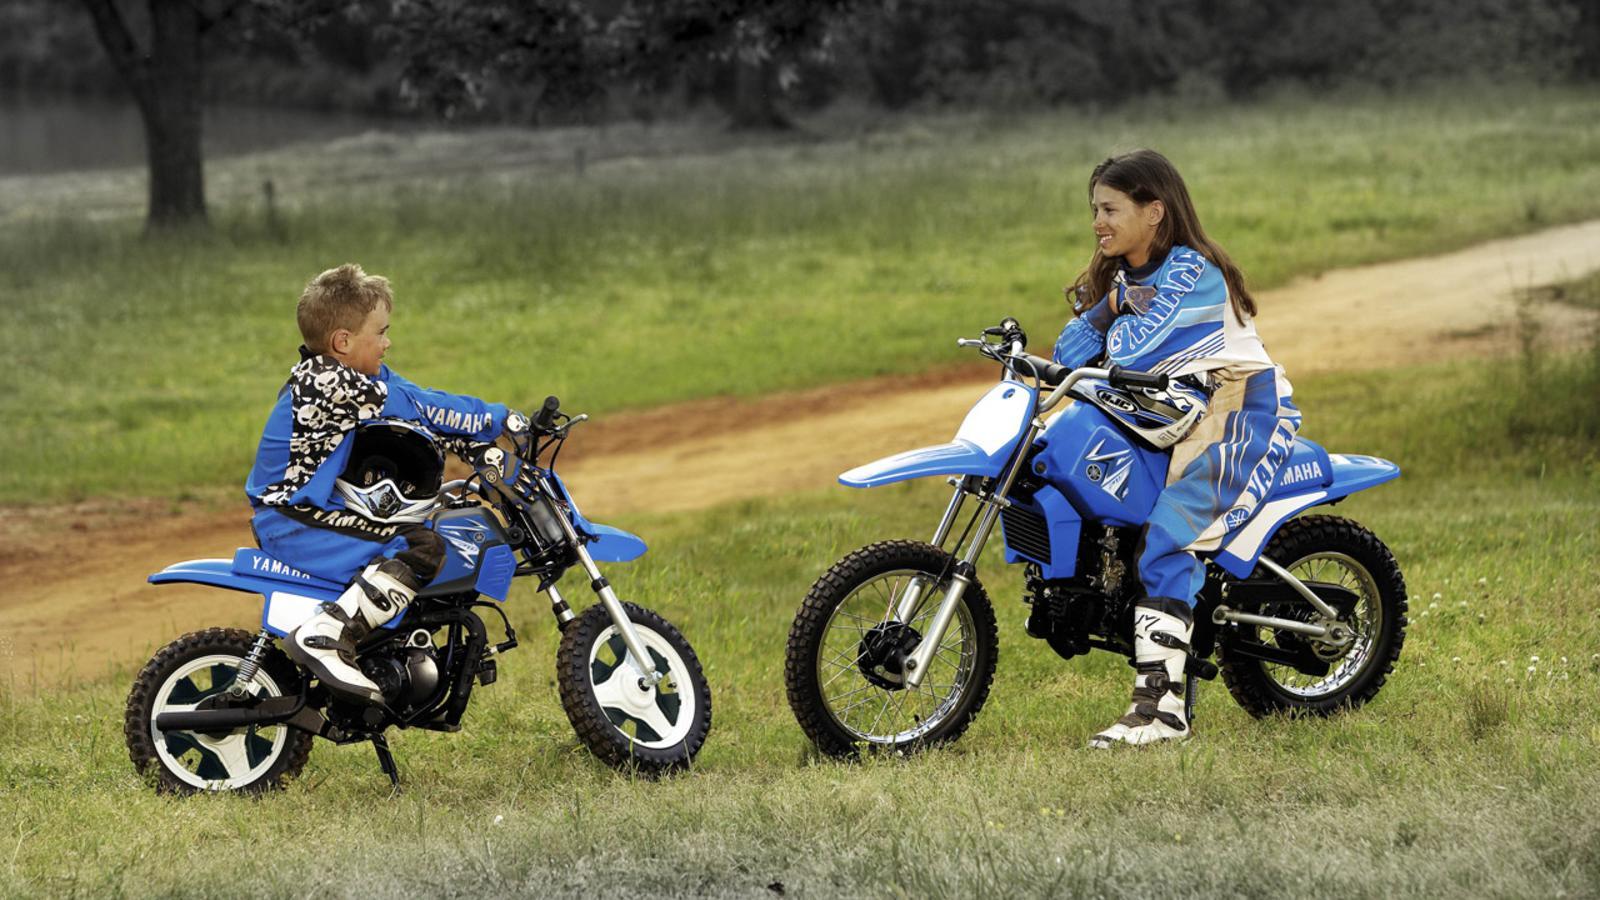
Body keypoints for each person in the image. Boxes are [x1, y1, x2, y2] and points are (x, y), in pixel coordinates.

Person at [1051, 149, 1301, 748]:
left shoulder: (1193, 273)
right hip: (1173, 409)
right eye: (1095, 210)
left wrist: (1110, 314)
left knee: (1169, 534)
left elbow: (1130, 351)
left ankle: (1163, 713)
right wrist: (1111, 304)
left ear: (1154, 211)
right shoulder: (1126, 278)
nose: (1098, 222)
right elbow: (1066, 353)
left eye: (1110, 209)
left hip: (1238, 407)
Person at [245, 263, 531, 703]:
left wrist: (472, 444)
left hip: (309, 514)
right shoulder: (326, 381)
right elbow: (421, 406)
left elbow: (420, 406)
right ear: (343, 342)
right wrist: (501, 418)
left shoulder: (358, 379)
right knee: (418, 547)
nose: (387, 342)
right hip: (292, 520)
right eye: (380, 333)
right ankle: (327, 635)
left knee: (431, 524)